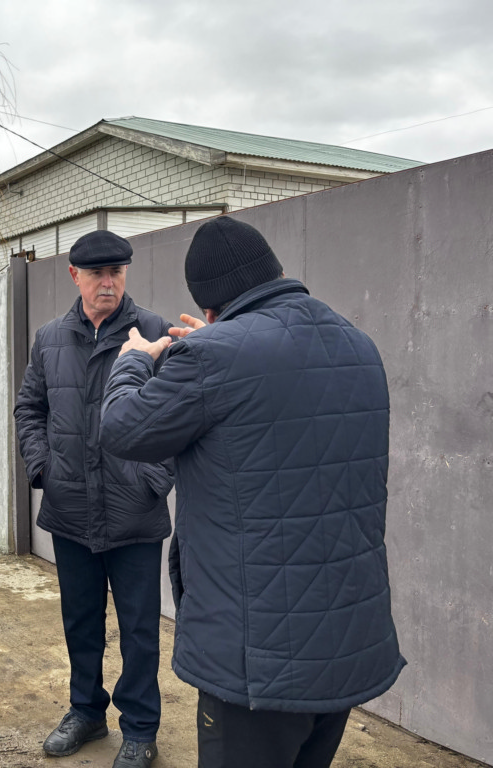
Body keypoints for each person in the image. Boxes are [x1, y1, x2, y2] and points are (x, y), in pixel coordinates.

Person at [100, 216, 405, 768]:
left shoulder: (213, 356)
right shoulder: (358, 344)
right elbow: (272, 398)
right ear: (275, 272)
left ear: (211, 309)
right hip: (343, 641)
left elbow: (123, 429)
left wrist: (133, 364)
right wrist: (215, 350)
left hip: (256, 664)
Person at [14, 231, 175, 768]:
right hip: (71, 509)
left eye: (117, 273)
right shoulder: (50, 337)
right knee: (80, 621)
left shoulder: (153, 331)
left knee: (138, 628)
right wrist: (43, 468)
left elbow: (179, 415)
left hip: (134, 510)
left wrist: (153, 477)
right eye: (97, 274)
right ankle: (86, 711)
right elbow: (30, 408)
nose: (108, 283)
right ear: (75, 276)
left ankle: (140, 727)